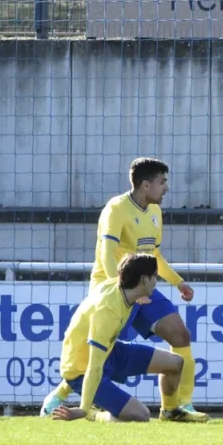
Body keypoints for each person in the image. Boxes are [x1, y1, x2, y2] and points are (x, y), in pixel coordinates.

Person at [40, 158, 204, 419]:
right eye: (162, 182)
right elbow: (106, 254)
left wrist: (177, 281)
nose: (167, 188)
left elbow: (154, 255)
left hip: (142, 286)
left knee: (180, 334)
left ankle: (177, 407)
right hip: (115, 287)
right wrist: (120, 288)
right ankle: (65, 392)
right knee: (101, 349)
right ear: (146, 185)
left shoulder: (154, 212)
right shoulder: (116, 209)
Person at [51, 254, 206, 423]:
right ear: (144, 280)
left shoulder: (124, 288)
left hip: (110, 352)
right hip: (82, 369)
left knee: (176, 363)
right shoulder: (107, 311)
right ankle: (93, 414)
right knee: (140, 415)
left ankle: (170, 412)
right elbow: (94, 366)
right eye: (155, 276)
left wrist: (139, 294)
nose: (156, 281)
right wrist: (83, 408)